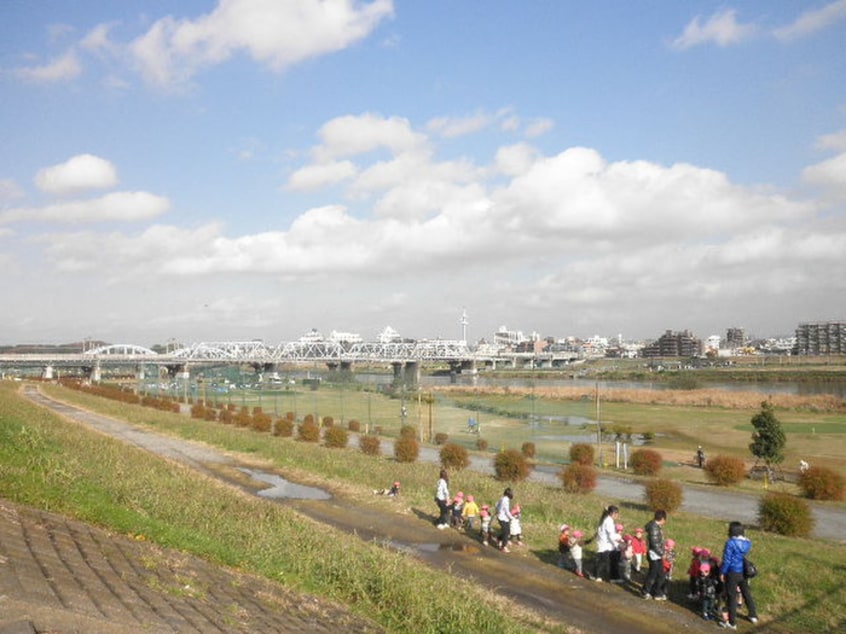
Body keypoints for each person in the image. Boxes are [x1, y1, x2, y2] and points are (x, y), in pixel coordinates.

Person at [719, 521, 759, 629]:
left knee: (732, 596)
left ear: (731, 531)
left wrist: (722, 572)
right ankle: (753, 615)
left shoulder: (730, 543)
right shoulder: (747, 543)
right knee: (746, 593)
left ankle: (732, 623)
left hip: (732, 571)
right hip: (743, 571)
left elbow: (727, 560)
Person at [641, 509, 667, 600]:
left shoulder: (654, 525)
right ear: (662, 519)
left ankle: (657, 593)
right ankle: (645, 591)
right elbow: (654, 543)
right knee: (653, 574)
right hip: (654, 554)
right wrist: (662, 553)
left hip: (656, 554)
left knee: (661, 574)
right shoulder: (654, 528)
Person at [593, 505, 622, 582]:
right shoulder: (608, 521)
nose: (617, 515)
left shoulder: (607, 520)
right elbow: (611, 535)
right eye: (616, 513)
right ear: (612, 513)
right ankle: (596, 575)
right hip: (604, 545)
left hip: (608, 544)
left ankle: (614, 578)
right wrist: (619, 538)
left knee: (612, 560)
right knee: (604, 561)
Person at [495, 487, 515, 552]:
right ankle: (503, 547)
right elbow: (506, 511)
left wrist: (497, 510)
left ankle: (498, 539)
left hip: (504, 518)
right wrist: (512, 518)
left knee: (507, 531)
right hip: (502, 518)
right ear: (509, 494)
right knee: (506, 533)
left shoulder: (502, 498)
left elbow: (496, 504)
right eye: (512, 493)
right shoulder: (505, 500)